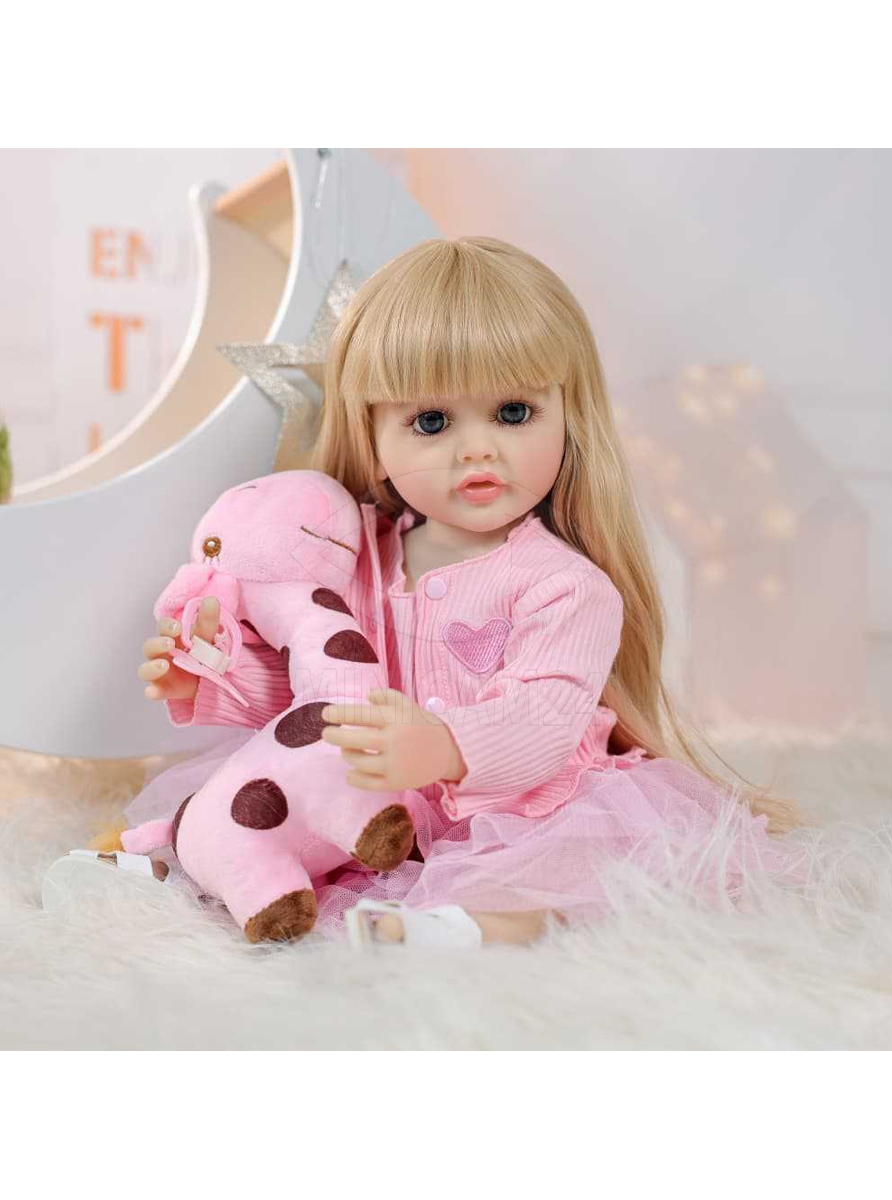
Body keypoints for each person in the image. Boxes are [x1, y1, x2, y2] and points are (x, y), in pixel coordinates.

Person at [50, 236, 812, 948]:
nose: (477, 448)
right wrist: (217, 676)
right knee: (258, 800)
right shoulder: (353, 555)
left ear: (567, 417)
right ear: (373, 436)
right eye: (432, 421)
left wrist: (447, 747)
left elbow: (545, 714)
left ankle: (471, 929)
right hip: (374, 800)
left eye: (513, 413)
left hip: (518, 803)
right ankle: (174, 869)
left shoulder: (565, 586)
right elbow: (317, 691)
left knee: (576, 871)